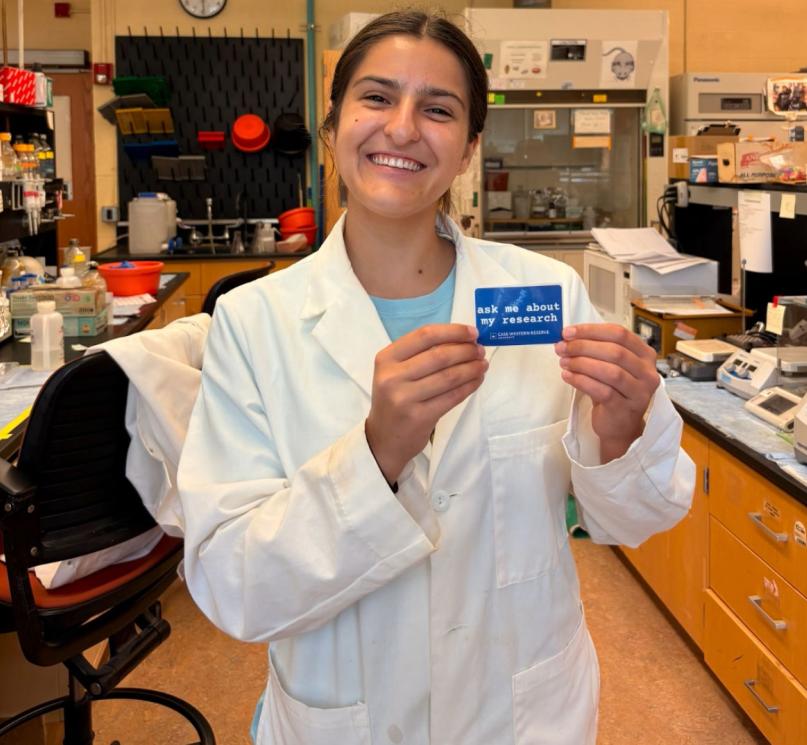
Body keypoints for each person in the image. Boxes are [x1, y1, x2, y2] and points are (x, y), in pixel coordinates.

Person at [177, 11, 694, 745]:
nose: (402, 127)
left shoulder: (546, 294)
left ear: (468, 149)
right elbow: (234, 586)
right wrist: (376, 453)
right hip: (347, 720)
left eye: (439, 110)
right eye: (376, 97)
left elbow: (637, 519)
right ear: (333, 125)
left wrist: (620, 432)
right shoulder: (254, 321)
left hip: (521, 715)